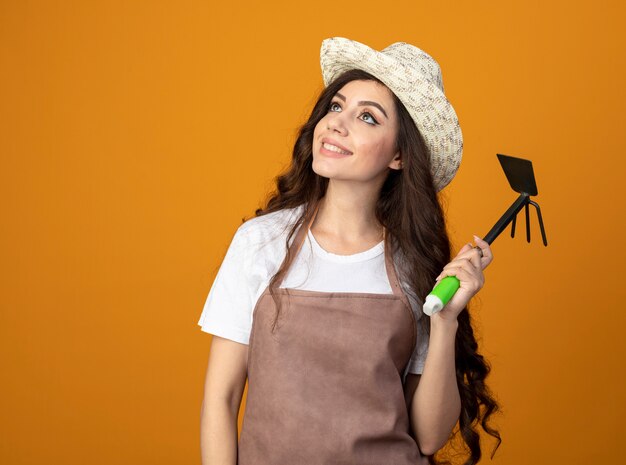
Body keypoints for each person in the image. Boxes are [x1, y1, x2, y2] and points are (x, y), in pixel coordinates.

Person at [198, 37, 501, 465]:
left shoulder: (412, 265)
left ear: (398, 155)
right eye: (336, 107)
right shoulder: (261, 243)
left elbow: (429, 437)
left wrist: (445, 321)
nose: (336, 124)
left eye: (367, 118)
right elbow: (221, 399)